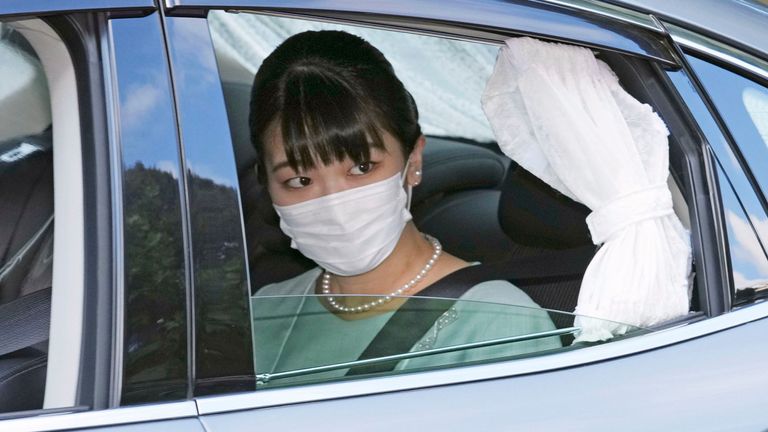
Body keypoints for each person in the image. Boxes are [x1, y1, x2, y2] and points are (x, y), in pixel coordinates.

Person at [248, 30, 560, 384]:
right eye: (300, 180)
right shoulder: (264, 310)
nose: (334, 204)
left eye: (362, 167)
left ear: (413, 161)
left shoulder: (501, 324)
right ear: (268, 185)